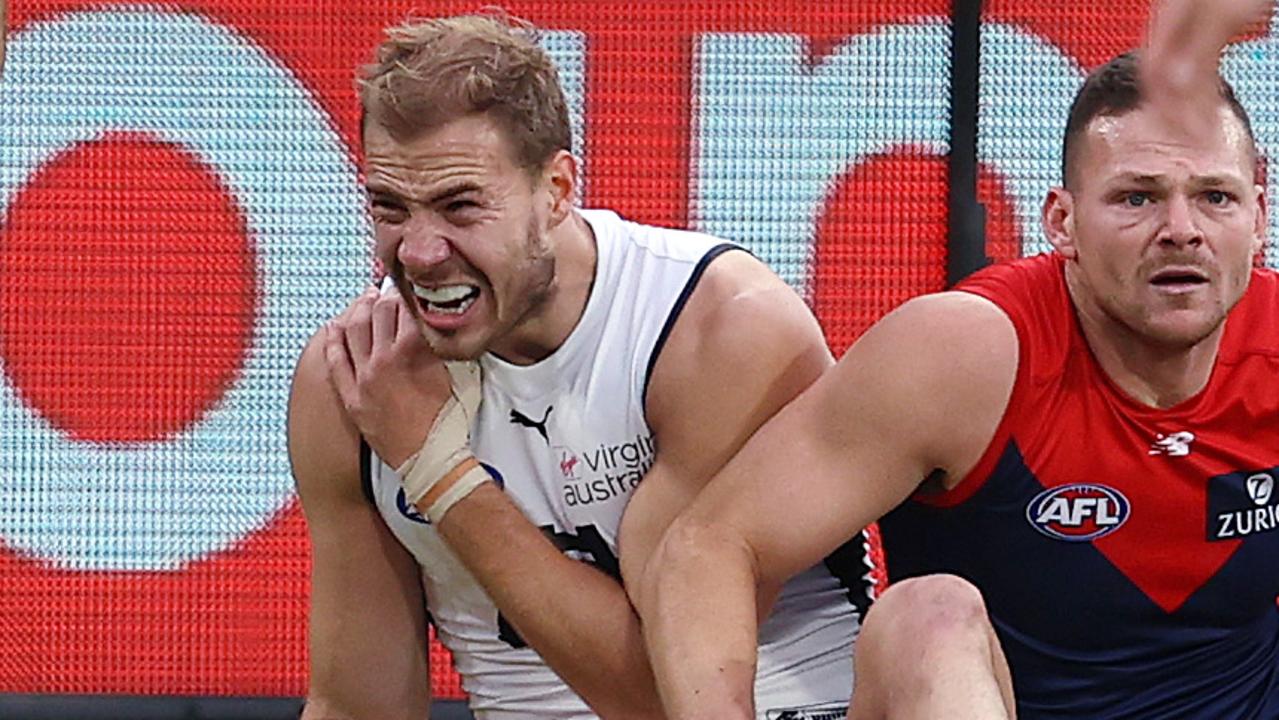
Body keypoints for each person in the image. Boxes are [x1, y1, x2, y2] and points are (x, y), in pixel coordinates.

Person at [631, 0, 1279, 718]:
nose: (1180, 231)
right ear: (1060, 222)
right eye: (1136, 198)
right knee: (924, 614)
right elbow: (706, 548)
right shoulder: (965, 353)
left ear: (1258, 215)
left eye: (1214, 197)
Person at [288, 11, 870, 719]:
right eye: (390, 207)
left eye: (460, 207)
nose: (417, 251)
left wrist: (436, 470)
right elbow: (357, 705)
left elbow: (667, 697)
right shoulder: (353, 376)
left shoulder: (717, 329)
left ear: (558, 190)